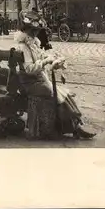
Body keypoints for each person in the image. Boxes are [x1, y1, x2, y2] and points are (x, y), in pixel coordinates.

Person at [15, 10, 96, 140]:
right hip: (29, 83)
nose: (35, 33)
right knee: (54, 92)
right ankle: (72, 128)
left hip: (39, 80)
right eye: (32, 30)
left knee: (63, 93)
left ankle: (76, 125)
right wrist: (45, 61)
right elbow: (29, 69)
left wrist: (51, 57)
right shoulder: (23, 46)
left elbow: (41, 55)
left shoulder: (33, 44)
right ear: (26, 30)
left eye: (37, 30)